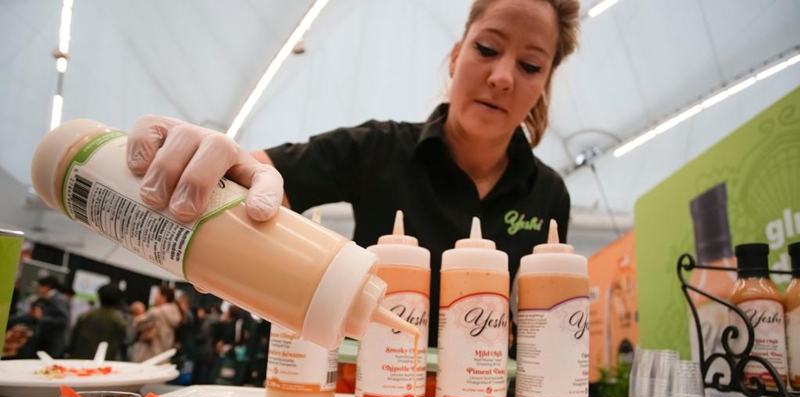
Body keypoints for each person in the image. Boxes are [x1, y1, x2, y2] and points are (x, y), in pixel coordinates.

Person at [125, 0, 580, 348]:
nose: (502, 77)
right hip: (367, 395)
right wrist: (208, 161)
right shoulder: (377, 149)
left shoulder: (549, 195)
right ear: (457, 54)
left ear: (546, 82)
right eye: (487, 49)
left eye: (530, 65)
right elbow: (253, 177)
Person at [68, 283, 127, 360]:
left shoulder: (86, 316)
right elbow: (124, 344)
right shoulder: (120, 322)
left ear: (99, 297)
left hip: (80, 360)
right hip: (105, 364)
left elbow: (72, 340)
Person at [130, 285, 183, 363]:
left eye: (157, 295)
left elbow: (137, 324)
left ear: (163, 297)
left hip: (149, 355)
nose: (155, 298)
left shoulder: (156, 312)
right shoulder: (176, 313)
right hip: (164, 356)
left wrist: (138, 314)